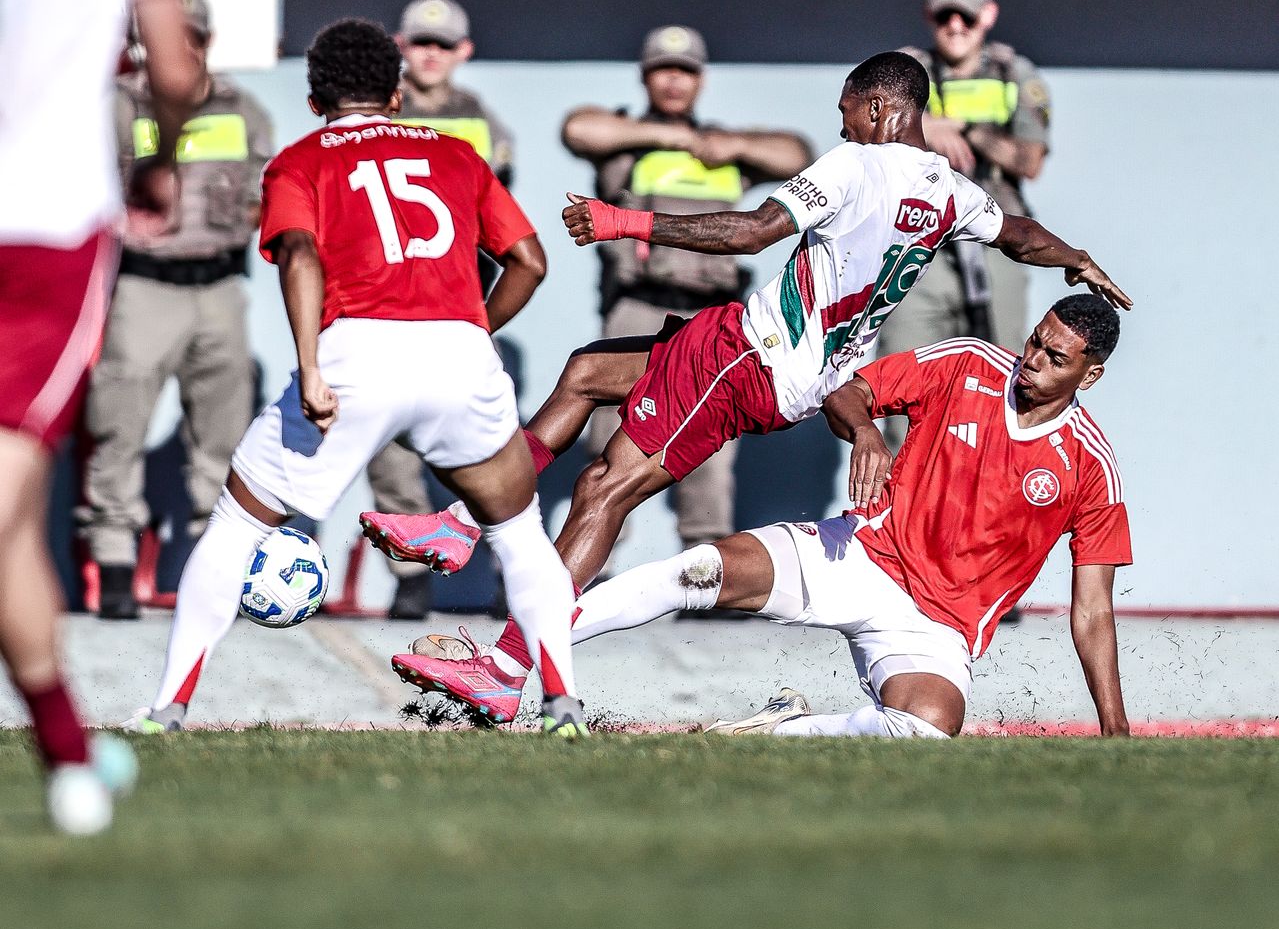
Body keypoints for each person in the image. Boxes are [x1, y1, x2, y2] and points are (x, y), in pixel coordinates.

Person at [366, 53, 1130, 727]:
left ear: (875, 107)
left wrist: (621, 220)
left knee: (606, 489)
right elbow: (1021, 235)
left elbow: (749, 232)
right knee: (588, 371)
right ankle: (463, 524)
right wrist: (1078, 257)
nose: (842, 124)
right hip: (777, 366)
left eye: (845, 111)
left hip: (750, 357)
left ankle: (501, 672)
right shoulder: (949, 188)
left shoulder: (853, 163)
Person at [131, 19, 585, 737]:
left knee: (236, 525)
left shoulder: (300, 159)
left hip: (356, 356)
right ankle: (562, 706)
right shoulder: (458, 155)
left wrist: (311, 367)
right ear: (397, 95)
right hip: (458, 354)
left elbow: (302, 256)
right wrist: (472, 328)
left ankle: (169, 710)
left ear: (315, 102)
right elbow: (529, 260)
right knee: (521, 534)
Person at [478, 295, 1131, 740]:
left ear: (1092, 376)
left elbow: (1091, 610)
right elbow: (851, 388)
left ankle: (779, 733)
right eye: (1034, 342)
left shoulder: (1089, 465)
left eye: (1054, 358)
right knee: (694, 573)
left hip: (937, 628)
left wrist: (1115, 733)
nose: (1031, 362)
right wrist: (868, 435)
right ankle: (506, 664)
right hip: (857, 556)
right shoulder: (966, 364)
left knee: (927, 730)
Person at [0, 0, 200, 831]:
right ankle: (71, 761)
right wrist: (160, 160)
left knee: (13, 508)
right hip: (50, 217)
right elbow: (174, 68)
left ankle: (70, 758)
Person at [563, 24, 811, 562]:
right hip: (637, 307)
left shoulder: (722, 147)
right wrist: (670, 138)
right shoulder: (627, 141)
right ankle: (589, 564)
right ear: (645, 76)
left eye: (686, 70)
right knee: (611, 439)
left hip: (709, 317)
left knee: (711, 440)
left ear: (700, 80)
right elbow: (578, 128)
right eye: (663, 69)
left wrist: (732, 145)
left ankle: (704, 568)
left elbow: (798, 153)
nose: (674, 81)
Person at [78, 0, 274, 619]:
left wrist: (252, 216)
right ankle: (112, 566)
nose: (171, 49)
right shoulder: (117, 105)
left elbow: (268, 188)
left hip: (220, 289)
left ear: (206, 41)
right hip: (142, 287)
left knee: (222, 437)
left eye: (186, 36)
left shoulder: (242, 108)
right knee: (120, 423)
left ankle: (212, 573)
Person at [365, 0, 518, 620]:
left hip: (458, 305)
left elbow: (499, 221)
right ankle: (408, 576)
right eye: (420, 43)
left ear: (464, 52)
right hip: (386, 304)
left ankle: (507, 568)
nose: (431, 55)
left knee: (482, 441)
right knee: (389, 441)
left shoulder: (486, 124)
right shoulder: (373, 116)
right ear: (401, 47)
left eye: (444, 44)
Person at [883, 0, 1052, 368]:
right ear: (928, 15)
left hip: (997, 238)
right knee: (903, 373)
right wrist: (923, 126)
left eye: (968, 14)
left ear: (989, 15)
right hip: (919, 242)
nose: (956, 25)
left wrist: (964, 128)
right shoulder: (905, 70)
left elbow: (1030, 161)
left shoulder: (1013, 73)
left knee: (1003, 375)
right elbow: (866, 122)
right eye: (944, 14)